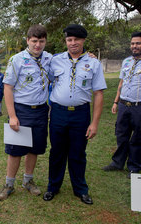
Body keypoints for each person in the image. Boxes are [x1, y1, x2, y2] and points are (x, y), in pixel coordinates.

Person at [43, 24, 107, 205]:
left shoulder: (93, 63)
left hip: (80, 115)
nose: (73, 43)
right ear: (66, 41)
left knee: (78, 153)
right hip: (58, 113)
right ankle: (53, 187)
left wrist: (94, 123)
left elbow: (99, 94)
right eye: (69, 40)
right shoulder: (55, 60)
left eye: (76, 39)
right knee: (56, 152)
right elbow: (43, 75)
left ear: (83, 40)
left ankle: (80, 190)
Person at [0, 24, 52, 201]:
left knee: (34, 149)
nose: (37, 45)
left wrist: (87, 55)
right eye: (34, 41)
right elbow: (7, 88)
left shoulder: (50, 59)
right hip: (21, 110)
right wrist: (12, 116)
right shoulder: (17, 60)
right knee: (15, 150)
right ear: (27, 40)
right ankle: (9, 184)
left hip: (41, 110)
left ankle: (28, 181)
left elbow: (69, 60)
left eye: (41, 41)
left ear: (45, 42)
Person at [102, 32, 141, 179]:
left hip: (139, 106)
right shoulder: (126, 62)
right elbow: (121, 83)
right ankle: (117, 162)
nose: (134, 46)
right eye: (132, 43)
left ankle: (134, 167)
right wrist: (115, 102)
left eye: (138, 43)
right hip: (124, 105)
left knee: (137, 137)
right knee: (121, 134)